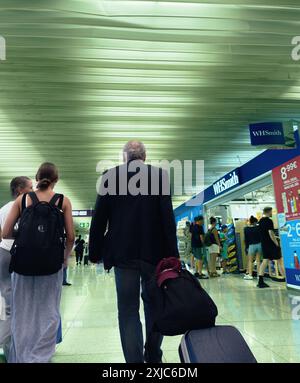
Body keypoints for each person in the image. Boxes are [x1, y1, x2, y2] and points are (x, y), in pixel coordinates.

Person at [89, 141, 179, 363]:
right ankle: (153, 354)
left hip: (122, 254)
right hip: (155, 254)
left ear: (124, 157)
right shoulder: (160, 176)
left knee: (128, 310)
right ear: (145, 156)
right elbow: (168, 219)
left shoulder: (110, 176)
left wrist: (94, 252)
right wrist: (173, 255)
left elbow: (99, 218)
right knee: (154, 305)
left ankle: (134, 363)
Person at [2, 162, 74, 362]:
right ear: (56, 180)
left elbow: (5, 233)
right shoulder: (63, 201)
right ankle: (41, 356)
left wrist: (26, 237)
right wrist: (64, 258)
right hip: (51, 265)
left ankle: (21, 357)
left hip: (23, 264)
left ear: (36, 178)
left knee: (22, 310)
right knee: (49, 311)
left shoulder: (23, 199)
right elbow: (70, 237)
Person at [0, 177, 33, 361]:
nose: (33, 190)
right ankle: (21, 351)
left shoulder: (3, 209)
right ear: (20, 190)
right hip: (19, 255)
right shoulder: (25, 208)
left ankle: (9, 350)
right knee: (24, 304)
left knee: (7, 303)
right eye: (30, 187)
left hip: (3, 253)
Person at [257, 207, 285, 288]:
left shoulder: (261, 221)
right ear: (268, 212)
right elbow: (270, 233)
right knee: (279, 259)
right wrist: (276, 243)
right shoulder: (269, 221)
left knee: (265, 261)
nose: (272, 213)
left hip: (264, 244)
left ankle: (260, 280)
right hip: (271, 244)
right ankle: (286, 278)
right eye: (271, 211)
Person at [244, 216, 262, 281]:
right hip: (259, 244)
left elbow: (246, 239)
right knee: (258, 261)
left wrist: (246, 247)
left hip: (251, 246)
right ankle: (259, 275)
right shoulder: (258, 227)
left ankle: (250, 275)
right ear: (255, 222)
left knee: (250, 261)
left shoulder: (246, 229)